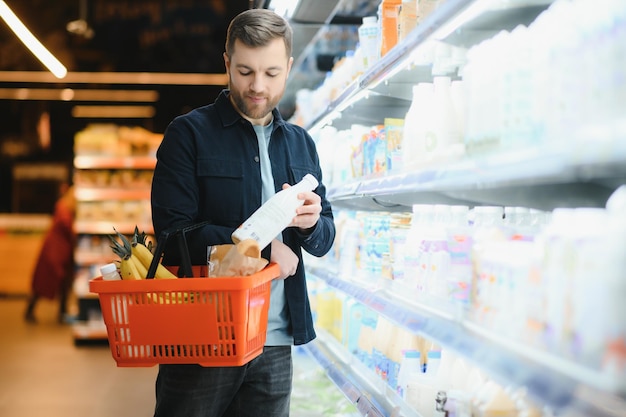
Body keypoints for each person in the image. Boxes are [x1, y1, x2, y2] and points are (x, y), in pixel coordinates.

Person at [150, 8, 336, 417]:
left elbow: (325, 238)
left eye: (271, 73)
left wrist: (310, 224)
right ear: (227, 64)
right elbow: (172, 237)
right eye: (245, 71)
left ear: (287, 67)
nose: (257, 86)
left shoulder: (302, 144)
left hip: (275, 340)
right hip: (203, 338)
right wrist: (262, 252)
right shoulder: (188, 135)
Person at [24, 182, 76, 324]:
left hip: (57, 250)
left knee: (59, 283)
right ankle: (33, 310)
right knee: (48, 281)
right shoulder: (64, 209)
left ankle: (61, 312)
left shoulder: (64, 207)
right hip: (55, 252)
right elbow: (67, 227)